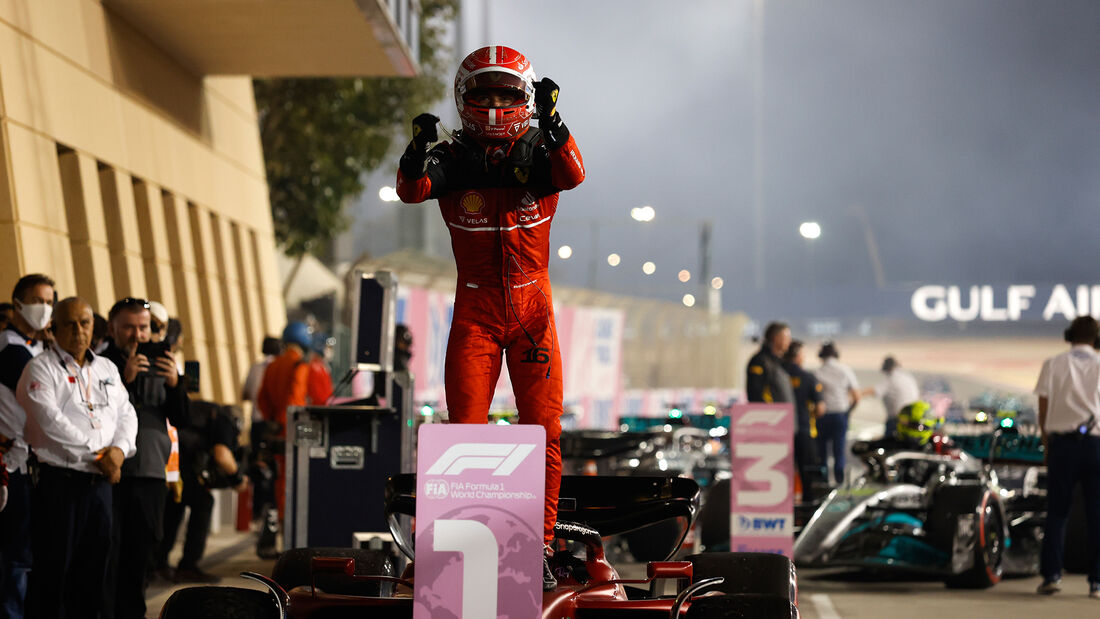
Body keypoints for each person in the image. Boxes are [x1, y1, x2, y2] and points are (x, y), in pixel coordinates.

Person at [395, 45, 585, 590]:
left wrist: (555, 124)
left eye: (507, 93)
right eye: (485, 94)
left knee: (545, 434)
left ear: (526, 99)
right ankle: (463, 550)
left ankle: (541, 547)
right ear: (464, 98)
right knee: (464, 438)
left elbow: (573, 173)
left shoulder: (544, 151)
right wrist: (414, 152)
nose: (497, 104)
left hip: (533, 314)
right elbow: (411, 192)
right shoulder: (450, 160)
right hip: (475, 313)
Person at [17, 297, 137, 618]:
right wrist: (99, 455)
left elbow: (126, 414)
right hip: (61, 486)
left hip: (101, 488)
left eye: (84, 323)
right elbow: (50, 421)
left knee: (95, 575)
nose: (78, 331)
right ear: (53, 328)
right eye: (69, 324)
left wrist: (119, 451)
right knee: (53, 575)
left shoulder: (106, 367)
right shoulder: (39, 367)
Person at [101, 297, 188, 619]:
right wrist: (125, 380)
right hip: (111, 474)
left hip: (151, 472)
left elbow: (182, 418)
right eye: (129, 327)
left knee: (141, 556)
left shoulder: (164, 360)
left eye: (144, 327)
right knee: (109, 554)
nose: (138, 335)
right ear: (113, 328)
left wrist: (176, 385)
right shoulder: (101, 363)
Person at [1033, 316, 1100, 598]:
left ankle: (1052, 576)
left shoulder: (1053, 363)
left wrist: (1048, 446)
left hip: (1063, 446)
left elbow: (1043, 409)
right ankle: (1097, 582)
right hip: (1097, 446)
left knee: (1057, 513)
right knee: (1097, 515)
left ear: (1069, 335)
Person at [0, 274, 55, 619]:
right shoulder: (11, 348)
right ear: (18, 304)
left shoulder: (35, 347)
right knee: (14, 558)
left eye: (50, 301)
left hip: (31, 464)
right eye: (38, 301)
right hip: (13, 465)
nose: (45, 308)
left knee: (26, 555)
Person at [154, 401, 247, 584]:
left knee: (175, 506)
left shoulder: (206, 412)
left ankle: (158, 564)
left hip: (166, 457)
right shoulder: (225, 421)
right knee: (203, 501)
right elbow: (222, 455)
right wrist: (238, 480)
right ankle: (187, 566)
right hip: (176, 463)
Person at [254, 321, 313, 556]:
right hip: (293, 435)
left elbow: (262, 399)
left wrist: (274, 422)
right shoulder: (300, 364)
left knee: (280, 486)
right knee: (294, 488)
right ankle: (292, 545)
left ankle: (281, 538)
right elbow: (296, 399)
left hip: (277, 432)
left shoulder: (273, 364)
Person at [814, 341, 861, 485]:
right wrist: (849, 411)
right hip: (840, 414)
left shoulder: (818, 372)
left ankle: (823, 484)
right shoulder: (845, 370)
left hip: (822, 416)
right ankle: (840, 485)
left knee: (821, 453)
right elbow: (856, 396)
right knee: (839, 452)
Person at [782, 340, 824, 502]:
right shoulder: (808, 377)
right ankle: (807, 508)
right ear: (798, 356)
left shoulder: (778, 374)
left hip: (780, 431)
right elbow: (820, 408)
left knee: (781, 474)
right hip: (804, 430)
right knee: (807, 474)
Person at [862, 356, 920, 438]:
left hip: (898, 420)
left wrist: (856, 395)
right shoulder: (908, 377)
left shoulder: (890, 379)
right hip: (913, 419)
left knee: (889, 442)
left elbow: (874, 390)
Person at [746, 321, 795, 404]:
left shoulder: (781, 363)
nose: (789, 342)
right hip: (769, 414)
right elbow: (755, 393)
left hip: (784, 415)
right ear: (776, 338)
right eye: (786, 338)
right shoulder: (760, 361)